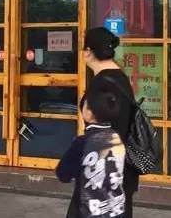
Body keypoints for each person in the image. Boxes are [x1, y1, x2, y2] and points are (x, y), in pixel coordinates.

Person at [81, 27, 139, 218]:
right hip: (121, 166)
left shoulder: (101, 83)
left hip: (101, 170)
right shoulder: (120, 78)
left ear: (88, 52)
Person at [56, 90, 126, 218]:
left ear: (89, 112)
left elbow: (63, 174)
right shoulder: (117, 138)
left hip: (87, 211)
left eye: (85, 105)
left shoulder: (82, 142)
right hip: (116, 210)